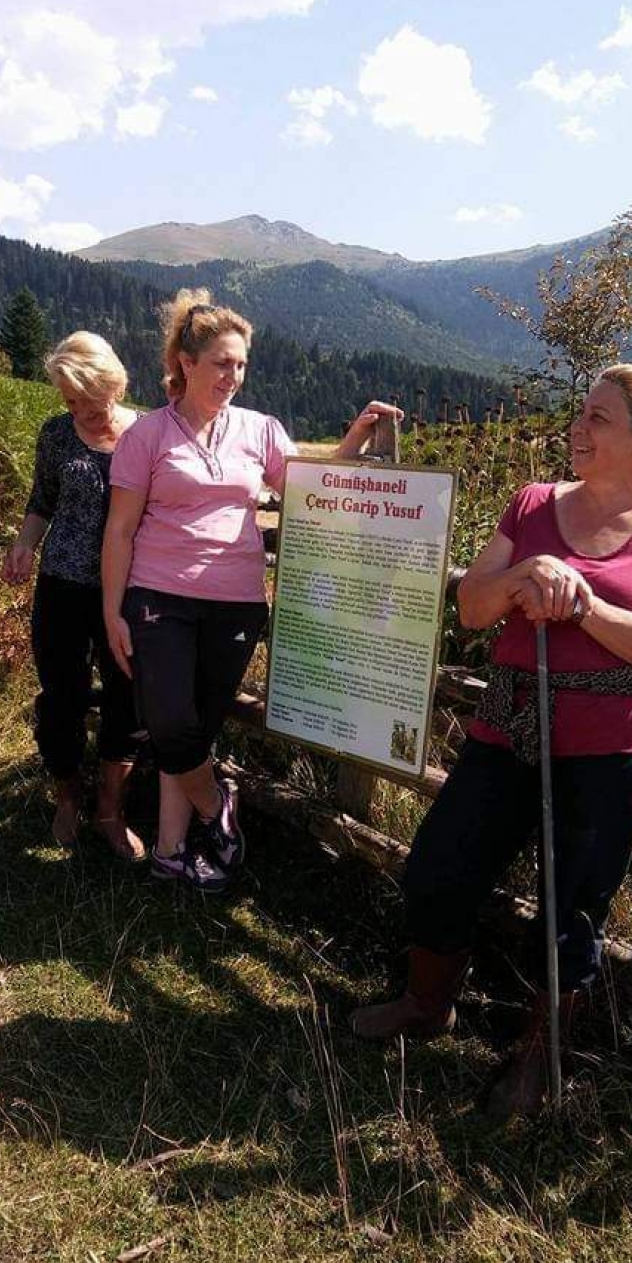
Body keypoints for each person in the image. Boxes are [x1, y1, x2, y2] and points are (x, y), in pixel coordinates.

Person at [352, 363, 632, 1118]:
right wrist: (527, 570)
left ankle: (538, 1055)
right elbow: (471, 607)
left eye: (599, 419)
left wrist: (582, 606)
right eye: (579, 412)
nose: (577, 428)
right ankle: (429, 1003)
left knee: (572, 907)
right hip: (509, 728)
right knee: (440, 866)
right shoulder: (532, 504)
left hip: (611, 749)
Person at [102, 288, 400, 891]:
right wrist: (112, 611)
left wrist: (351, 442)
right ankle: (218, 808)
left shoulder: (260, 429)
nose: (232, 377)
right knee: (168, 721)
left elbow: (306, 491)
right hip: (158, 595)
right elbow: (120, 530)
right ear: (186, 363)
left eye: (240, 365)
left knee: (195, 729)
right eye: (221, 363)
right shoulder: (147, 435)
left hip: (236, 602)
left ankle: (170, 850)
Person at [1, 332, 145, 859]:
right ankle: (67, 794)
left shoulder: (146, 434)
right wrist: (24, 545)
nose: (80, 411)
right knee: (62, 695)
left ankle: (111, 807)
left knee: (127, 697)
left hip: (128, 588)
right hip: (62, 584)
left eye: (90, 399)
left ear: (113, 385)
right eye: (70, 401)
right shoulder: (56, 434)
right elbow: (42, 500)